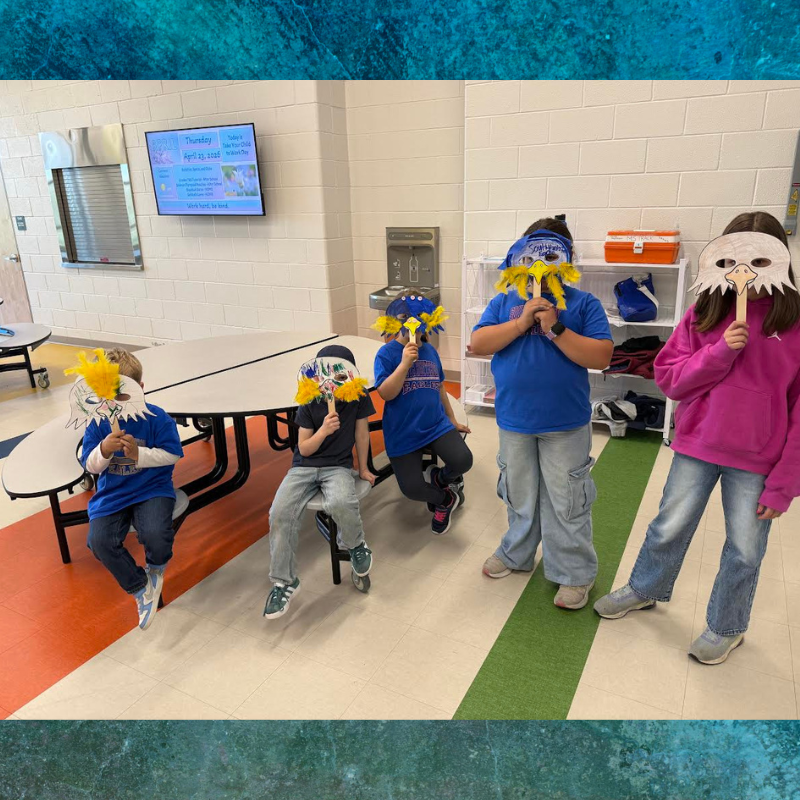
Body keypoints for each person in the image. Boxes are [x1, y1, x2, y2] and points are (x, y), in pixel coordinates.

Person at [594, 211, 800, 663]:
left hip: (759, 459)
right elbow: (670, 381)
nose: (745, 271)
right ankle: (646, 587)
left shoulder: (795, 323)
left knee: (745, 549)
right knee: (668, 525)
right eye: (733, 259)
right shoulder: (703, 314)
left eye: (760, 259)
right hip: (697, 445)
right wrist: (720, 350)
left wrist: (785, 484)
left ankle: (727, 626)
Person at [470, 218, 613, 610]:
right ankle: (517, 552)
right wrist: (519, 323)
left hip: (564, 423)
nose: (540, 264)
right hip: (514, 420)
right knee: (519, 492)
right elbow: (478, 342)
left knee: (567, 498)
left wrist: (555, 328)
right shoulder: (503, 302)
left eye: (551, 254)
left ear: (566, 258)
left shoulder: (583, 304)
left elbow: (601, 356)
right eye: (532, 252)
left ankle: (573, 572)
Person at [265, 345, 377, 619]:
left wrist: (363, 468)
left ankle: (355, 545)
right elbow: (304, 449)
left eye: (339, 377)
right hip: (303, 469)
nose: (332, 383)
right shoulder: (308, 403)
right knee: (279, 514)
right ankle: (284, 581)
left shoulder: (358, 398)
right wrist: (324, 430)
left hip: (338, 467)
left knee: (341, 502)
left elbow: (362, 435)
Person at [82, 349, 184, 630]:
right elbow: (90, 466)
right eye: (109, 395)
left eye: (123, 394)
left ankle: (155, 569)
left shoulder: (156, 417)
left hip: (152, 488)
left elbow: (173, 454)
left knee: (156, 534)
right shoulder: (98, 421)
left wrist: (140, 454)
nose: (115, 402)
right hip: (112, 494)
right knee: (99, 542)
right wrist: (103, 449)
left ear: (140, 388)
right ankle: (141, 588)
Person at [373, 296, 473, 535]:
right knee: (412, 489)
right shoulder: (386, 354)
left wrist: (451, 419)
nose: (413, 327)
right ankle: (443, 499)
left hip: (435, 424)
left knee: (463, 461)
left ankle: (440, 478)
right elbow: (386, 394)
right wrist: (404, 363)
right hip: (403, 431)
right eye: (406, 319)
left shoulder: (429, 351)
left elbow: (439, 386)